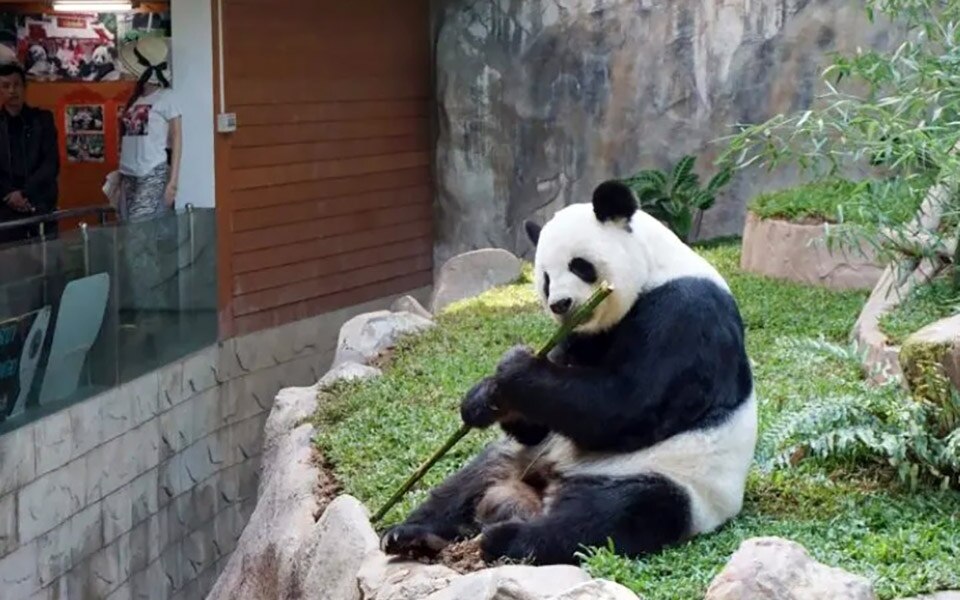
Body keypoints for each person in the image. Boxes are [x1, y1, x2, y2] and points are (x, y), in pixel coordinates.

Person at [117, 36, 181, 222]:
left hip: (151, 171)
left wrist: (173, 182)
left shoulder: (167, 98)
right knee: (130, 232)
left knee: (139, 234)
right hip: (128, 173)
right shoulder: (135, 99)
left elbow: (177, 137)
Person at [0, 62, 59, 246]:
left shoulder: (42, 120)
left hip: (39, 203)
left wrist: (25, 193)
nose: (12, 91)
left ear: (25, 87)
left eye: (16, 85)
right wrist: (10, 194)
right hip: (5, 209)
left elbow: (51, 163)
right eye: (5, 86)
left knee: (46, 264)